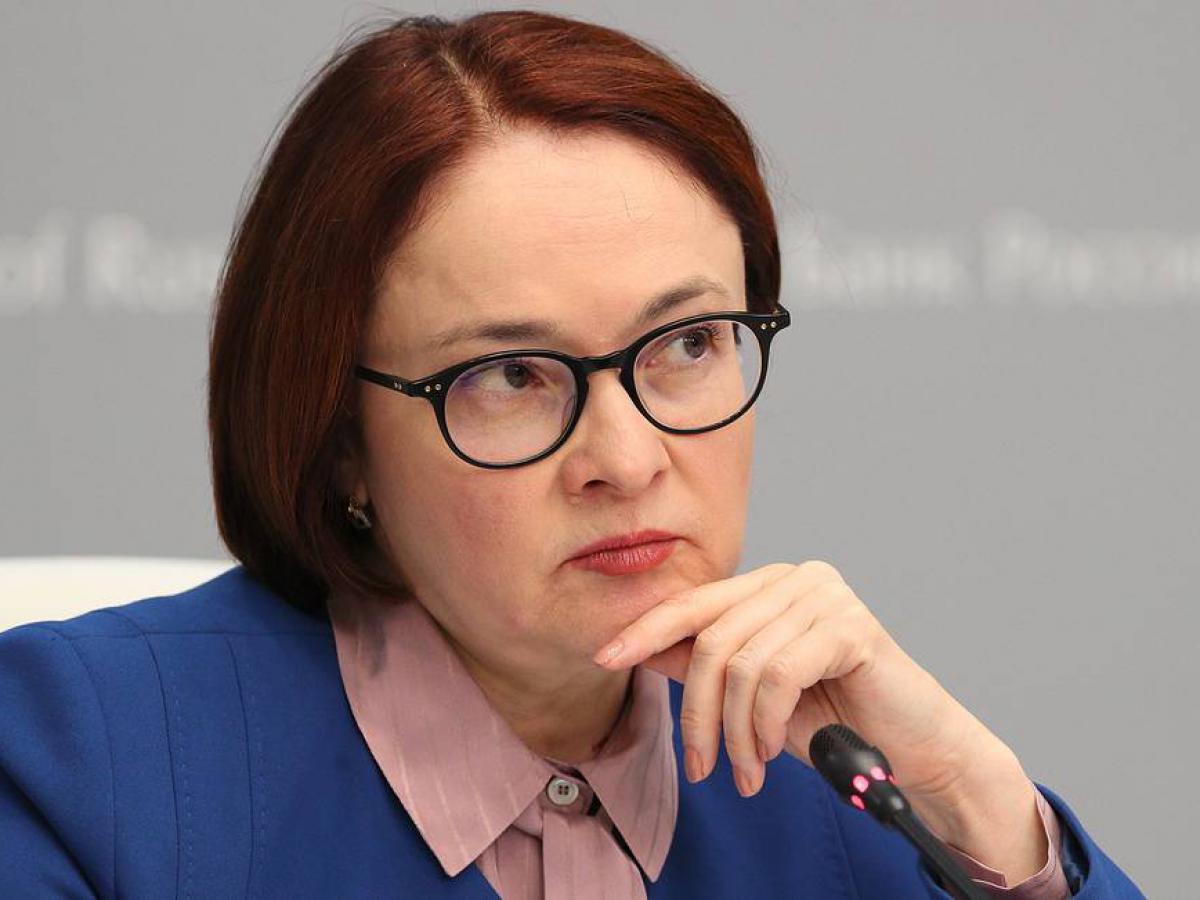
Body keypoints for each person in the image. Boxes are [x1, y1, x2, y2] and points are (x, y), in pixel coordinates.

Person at [0, 10, 1142, 899]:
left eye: (688, 344)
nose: (627, 459)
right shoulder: (79, 762)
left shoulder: (854, 801)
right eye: (510, 375)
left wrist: (985, 816)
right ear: (339, 440)